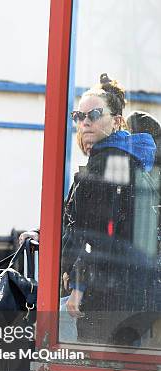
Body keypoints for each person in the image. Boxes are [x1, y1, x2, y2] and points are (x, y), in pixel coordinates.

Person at [61, 74, 157, 343]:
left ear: (115, 121)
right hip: (135, 291)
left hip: (109, 294)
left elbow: (98, 234)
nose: (85, 121)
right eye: (78, 115)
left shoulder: (108, 162)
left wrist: (79, 286)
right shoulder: (129, 158)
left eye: (93, 113)